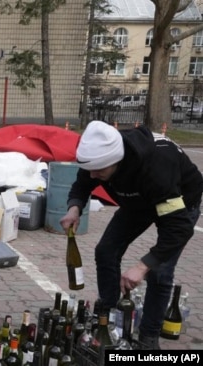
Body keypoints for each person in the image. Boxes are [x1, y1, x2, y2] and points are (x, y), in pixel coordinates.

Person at [59, 120, 203, 350]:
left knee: (159, 271)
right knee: (105, 250)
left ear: (117, 160)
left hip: (179, 202)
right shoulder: (98, 156)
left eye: (100, 170)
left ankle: (148, 339)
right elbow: (83, 182)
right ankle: (106, 319)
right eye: (91, 169)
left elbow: (179, 229)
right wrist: (74, 207)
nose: (93, 175)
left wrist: (143, 265)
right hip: (138, 201)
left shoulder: (157, 168)